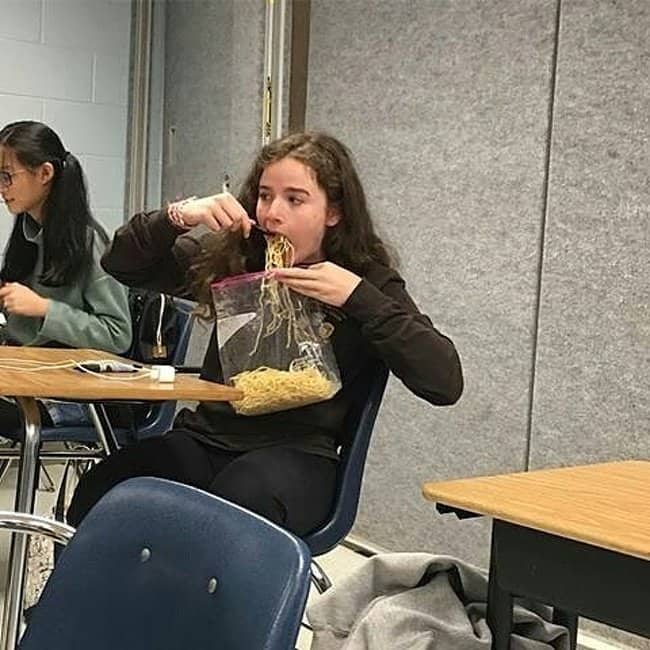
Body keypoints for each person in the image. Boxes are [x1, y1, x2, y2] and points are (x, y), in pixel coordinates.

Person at [67, 132, 463, 535]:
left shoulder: (367, 280)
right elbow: (122, 264)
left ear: (334, 211)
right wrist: (178, 217)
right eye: (264, 195)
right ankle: (82, 598)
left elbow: (444, 382)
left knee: (232, 507)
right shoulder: (237, 258)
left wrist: (357, 297)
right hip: (207, 439)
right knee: (105, 488)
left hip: (298, 454)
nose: (272, 213)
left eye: (295, 199)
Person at [0, 121, 132, 433]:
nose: (2, 188)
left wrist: (45, 308)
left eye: (7, 176)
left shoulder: (90, 243)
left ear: (45, 174)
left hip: (77, 400)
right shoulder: (28, 233)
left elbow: (118, 334)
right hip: (35, 380)